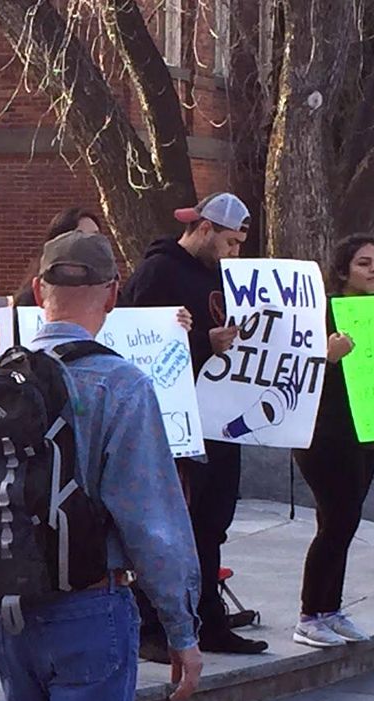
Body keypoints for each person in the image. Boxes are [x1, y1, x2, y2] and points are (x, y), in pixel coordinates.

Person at [0, 231, 203, 701]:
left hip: (1, 616)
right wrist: (181, 625)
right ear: (112, 294)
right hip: (87, 611)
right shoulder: (121, 384)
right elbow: (152, 522)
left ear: (37, 290)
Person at [119, 191, 269, 659]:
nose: (234, 252)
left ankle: (208, 621)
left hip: (221, 419)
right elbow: (138, 347)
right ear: (204, 229)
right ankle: (152, 627)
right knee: (168, 527)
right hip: (174, 425)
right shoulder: (160, 271)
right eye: (228, 242)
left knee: (211, 526)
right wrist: (205, 341)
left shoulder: (224, 276)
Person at [291, 234, 374, 648]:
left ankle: (330, 608)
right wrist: (326, 357)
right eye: (364, 263)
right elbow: (290, 369)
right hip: (324, 434)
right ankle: (309, 614)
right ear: (343, 271)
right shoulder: (320, 312)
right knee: (339, 519)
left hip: (365, 430)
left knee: (343, 522)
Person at [14, 208, 103, 307]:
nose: (90, 242)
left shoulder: (108, 292)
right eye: (80, 235)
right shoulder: (31, 299)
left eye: (95, 236)